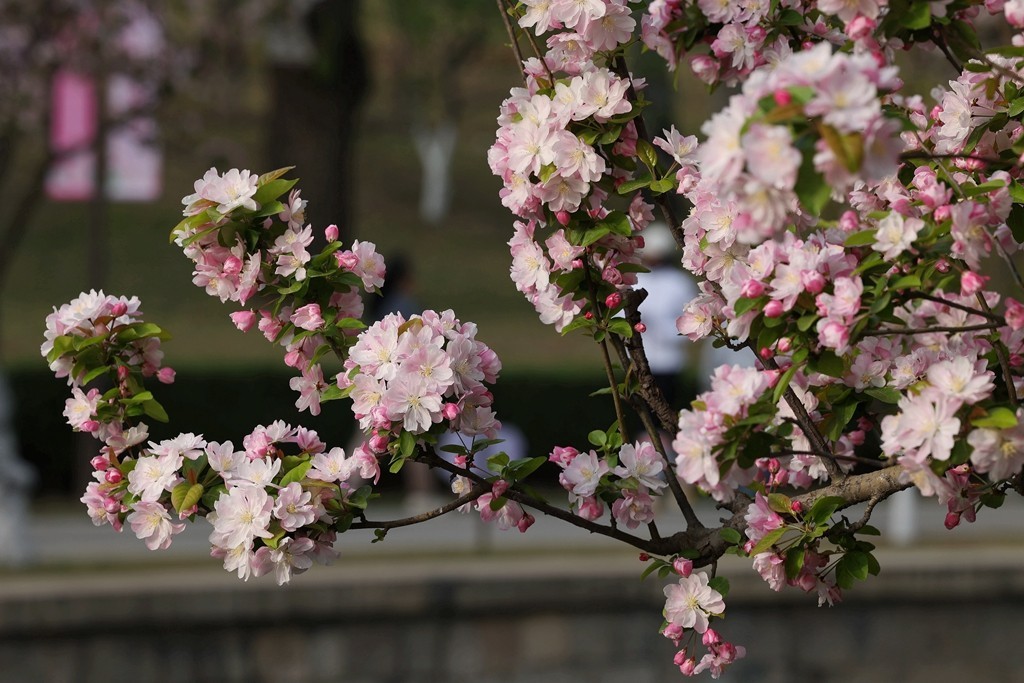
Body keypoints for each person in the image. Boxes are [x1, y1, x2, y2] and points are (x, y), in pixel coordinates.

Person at [635, 222, 698, 410]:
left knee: (667, 409)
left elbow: (692, 323)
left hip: (669, 359)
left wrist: (662, 329)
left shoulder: (679, 282)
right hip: (638, 355)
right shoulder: (636, 279)